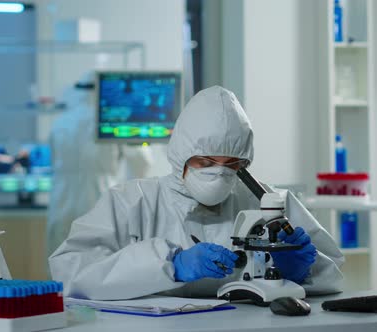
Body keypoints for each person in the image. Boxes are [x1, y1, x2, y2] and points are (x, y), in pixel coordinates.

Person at [49, 86, 344, 300]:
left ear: (245, 164)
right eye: (205, 162)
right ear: (181, 156)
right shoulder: (131, 202)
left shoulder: (269, 202)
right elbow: (70, 272)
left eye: (232, 165)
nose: (218, 173)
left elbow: (334, 277)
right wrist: (168, 265)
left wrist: (300, 271)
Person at [46, 73, 153, 258]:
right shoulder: (110, 122)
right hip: (99, 196)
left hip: (62, 200)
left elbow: (52, 160)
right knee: (100, 262)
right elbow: (142, 161)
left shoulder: (59, 123)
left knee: (60, 261)